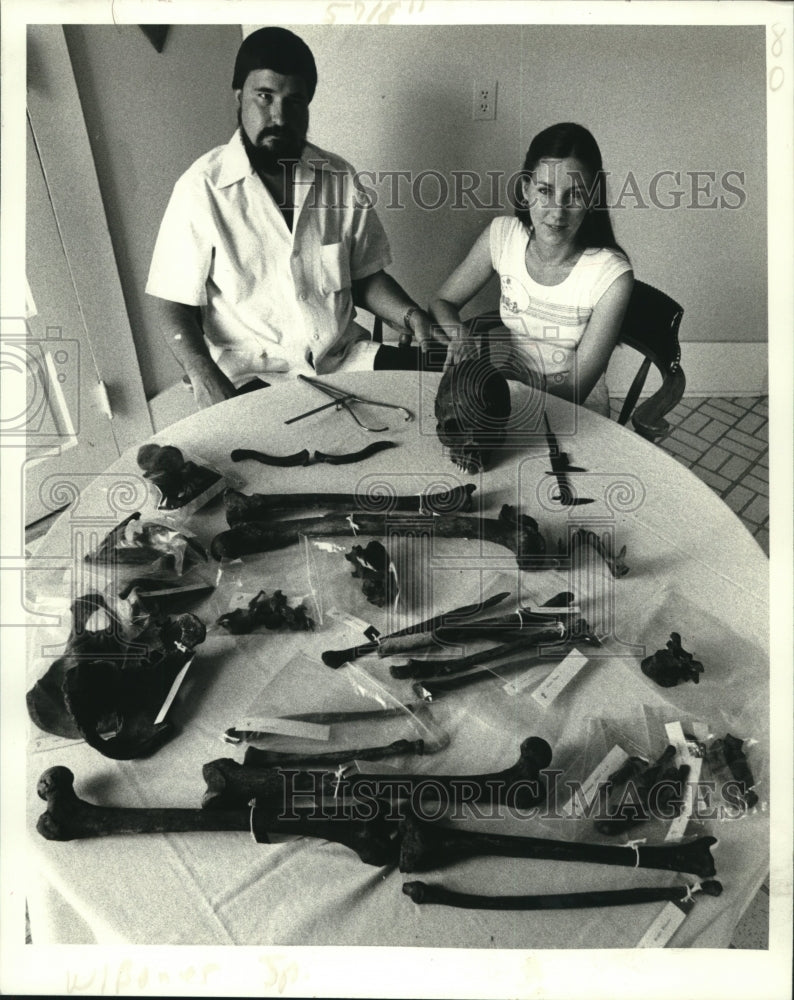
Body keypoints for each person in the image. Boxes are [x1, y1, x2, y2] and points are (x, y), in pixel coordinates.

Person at [146, 27, 438, 409]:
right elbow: (173, 303)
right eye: (264, 97)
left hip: (346, 360)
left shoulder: (338, 177)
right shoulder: (201, 188)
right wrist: (203, 373)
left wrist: (411, 315)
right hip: (254, 378)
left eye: (294, 101)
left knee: (450, 383)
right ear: (239, 97)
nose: (279, 116)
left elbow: (366, 276)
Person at [430, 122, 633, 416]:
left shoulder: (611, 276)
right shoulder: (503, 235)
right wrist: (460, 334)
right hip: (512, 390)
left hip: (576, 411)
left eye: (574, 195)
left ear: (592, 199)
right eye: (544, 190)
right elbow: (441, 301)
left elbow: (574, 390)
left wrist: (499, 399)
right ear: (525, 189)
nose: (557, 211)